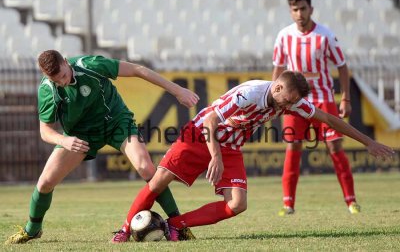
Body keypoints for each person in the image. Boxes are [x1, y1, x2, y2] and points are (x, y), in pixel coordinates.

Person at [111, 70, 394, 242]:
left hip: (231, 144)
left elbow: (328, 119)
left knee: (237, 204)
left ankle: (174, 226)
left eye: (295, 102)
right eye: (289, 100)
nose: (292, 106)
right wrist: (216, 157)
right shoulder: (250, 93)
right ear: (278, 87)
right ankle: (124, 230)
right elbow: (210, 120)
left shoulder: (291, 100)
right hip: (199, 135)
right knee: (159, 181)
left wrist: (368, 141)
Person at [4, 50, 199, 245]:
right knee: (45, 182)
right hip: (82, 135)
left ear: (65, 61)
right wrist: (64, 140)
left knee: (146, 168)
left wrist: (177, 90)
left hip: (115, 123)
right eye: (56, 80)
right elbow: (45, 131)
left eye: (63, 75)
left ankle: (179, 224)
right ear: (46, 76)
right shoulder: (47, 90)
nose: (62, 82)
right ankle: (32, 230)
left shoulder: (91, 66)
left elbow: (137, 70)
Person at [272, 0, 359, 216]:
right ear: (290, 12)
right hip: (293, 101)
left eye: (302, 8)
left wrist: (345, 98)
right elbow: (279, 68)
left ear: (311, 9)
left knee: (334, 147)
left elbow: (342, 65)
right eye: (295, 9)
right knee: (293, 147)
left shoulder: (325, 35)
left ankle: (351, 201)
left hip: (323, 98)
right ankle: (288, 204)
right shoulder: (284, 36)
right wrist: (274, 97)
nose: (299, 13)